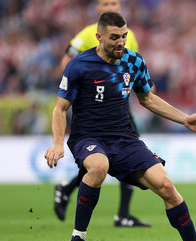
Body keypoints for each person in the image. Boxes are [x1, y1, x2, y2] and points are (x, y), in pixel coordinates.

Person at [44, 12, 196, 241]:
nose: (121, 42)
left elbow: (147, 98)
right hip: (88, 137)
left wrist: (184, 119)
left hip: (125, 140)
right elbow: (60, 108)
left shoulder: (134, 61)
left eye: (124, 36)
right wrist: (58, 144)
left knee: (166, 186)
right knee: (99, 166)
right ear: (99, 37)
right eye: (114, 37)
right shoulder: (79, 65)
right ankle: (77, 237)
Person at [53, 0, 149, 227]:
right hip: (93, 105)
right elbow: (66, 62)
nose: (110, 7)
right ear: (97, 8)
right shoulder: (86, 34)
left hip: (120, 106)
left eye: (114, 2)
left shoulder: (129, 36)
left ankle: (122, 212)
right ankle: (115, 212)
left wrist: (143, 90)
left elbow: (133, 70)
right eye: (105, 3)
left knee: (126, 151)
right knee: (98, 162)